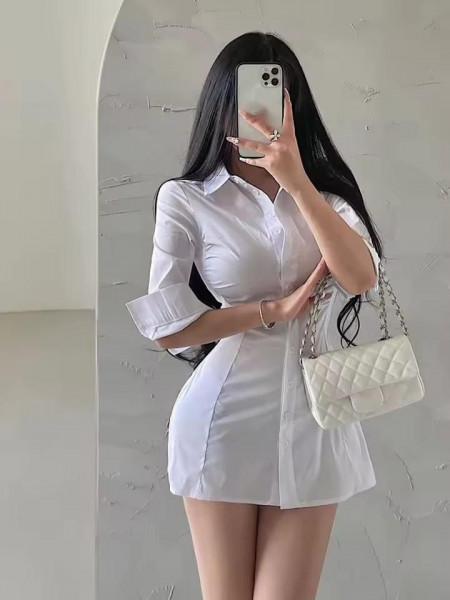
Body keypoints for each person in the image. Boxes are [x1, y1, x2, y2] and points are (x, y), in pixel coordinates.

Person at [126, 31, 382, 600]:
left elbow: (361, 277)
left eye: (273, 99)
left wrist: (296, 180)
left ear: (295, 107)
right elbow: (169, 328)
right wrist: (272, 310)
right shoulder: (186, 198)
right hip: (222, 422)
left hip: (315, 422)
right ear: (222, 105)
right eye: (246, 98)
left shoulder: (327, 196)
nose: (259, 114)